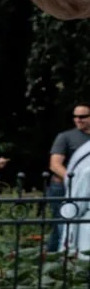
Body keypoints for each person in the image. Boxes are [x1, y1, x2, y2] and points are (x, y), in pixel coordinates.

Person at [46, 103, 89, 252]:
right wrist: (73, 180)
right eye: (75, 116)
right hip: (62, 186)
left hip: (86, 189)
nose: (78, 119)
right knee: (61, 226)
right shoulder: (65, 137)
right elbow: (55, 164)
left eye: (83, 116)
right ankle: (54, 260)